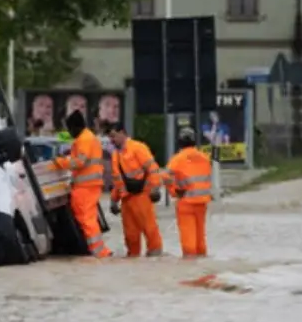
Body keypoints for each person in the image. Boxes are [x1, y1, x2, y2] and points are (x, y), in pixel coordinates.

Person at [50, 110, 112, 258]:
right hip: (90, 185)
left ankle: (98, 251)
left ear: (76, 127)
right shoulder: (89, 138)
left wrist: (60, 162)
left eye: (70, 129)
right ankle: (98, 250)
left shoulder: (83, 140)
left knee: (86, 219)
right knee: (88, 218)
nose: (69, 132)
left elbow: (79, 162)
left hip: (85, 187)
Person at [106, 123, 164, 257]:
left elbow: (153, 168)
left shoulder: (138, 148)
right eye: (110, 137)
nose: (112, 140)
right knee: (130, 234)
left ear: (122, 133)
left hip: (142, 195)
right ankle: (133, 257)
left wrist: (155, 188)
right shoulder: (116, 155)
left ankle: (155, 257)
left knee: (149, 229)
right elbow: (118, 181)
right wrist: (114, 200)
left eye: (113, 136)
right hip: (126, 199)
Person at [164, 128, 213, 257]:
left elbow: (165, 176)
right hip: (202, 202)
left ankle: (190, 268)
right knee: (200, 237)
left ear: (179, 142)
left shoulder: (178, 159)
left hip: (185, 202)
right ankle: (203, 267)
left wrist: (174, 191)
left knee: (188, 241)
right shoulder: (205, 158)